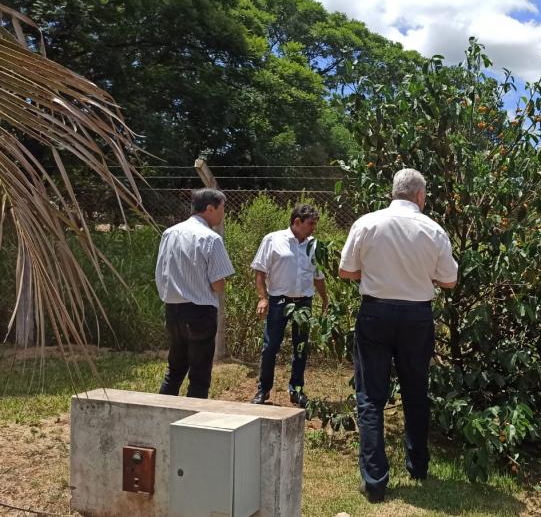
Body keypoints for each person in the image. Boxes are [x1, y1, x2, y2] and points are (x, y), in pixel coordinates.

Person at [338, 168, 459, 503]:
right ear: (420, 195)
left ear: (393, 192)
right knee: (416, 391)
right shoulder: (433, 229)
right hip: (416, 317)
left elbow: (346, 271)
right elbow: (449, 280)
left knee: (370, 397)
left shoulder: (367, 223)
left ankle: (375, 481)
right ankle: (418, 467)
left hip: (375, 312)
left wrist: (376, 273)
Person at [155, 188, 234, 399]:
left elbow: (161, 272)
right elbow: (219, 285)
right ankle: (193, 422)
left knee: (175, 369)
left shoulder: (169, 233)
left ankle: (162, 413)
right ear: (210, 208)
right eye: (222, 208)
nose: (223, 214)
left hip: (172, 310)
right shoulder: (211, 238)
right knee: (199, 374)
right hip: (200, 312)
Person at [250, 204, 329, 407]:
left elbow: (318, 276)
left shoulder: (314, 244)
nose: (313, 228)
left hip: (304, 302)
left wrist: (325, 299)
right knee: (270, 347)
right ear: (297, 222)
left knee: (301, 348)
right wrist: (263, 297)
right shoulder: (273, 240)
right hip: (280, 302)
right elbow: (260, 271)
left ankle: (297, 391)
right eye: (310, 224)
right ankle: (263, 390)